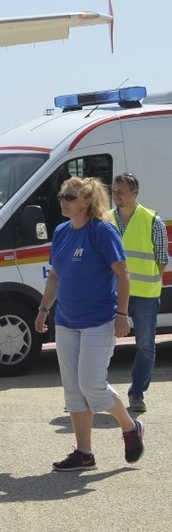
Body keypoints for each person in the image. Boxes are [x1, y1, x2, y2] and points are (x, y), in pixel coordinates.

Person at [35, 176, 144, 472]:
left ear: (86, 200)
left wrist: (122, 315)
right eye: (61, 196)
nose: (63, 202)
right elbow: (55, 275)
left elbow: (122, 273)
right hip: (66, 322)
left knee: (92, 385)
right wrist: (43, 310)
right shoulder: (61, 231)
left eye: (70, 197)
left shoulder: (102, 231)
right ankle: (84, 453)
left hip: (99, 321)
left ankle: (130, 427)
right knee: (73, 390)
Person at [110, 173, 168, 414]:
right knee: (100, 342)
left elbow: (162, 259)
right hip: (111, 294)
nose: (116, 195)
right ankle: (94, 391)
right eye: (113, 191)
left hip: (144, 295)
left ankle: (137, 393)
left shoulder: (153, 220)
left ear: (135, 193)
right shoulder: (105, 219)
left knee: (145, 345)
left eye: (121, 191)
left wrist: (146, 280)